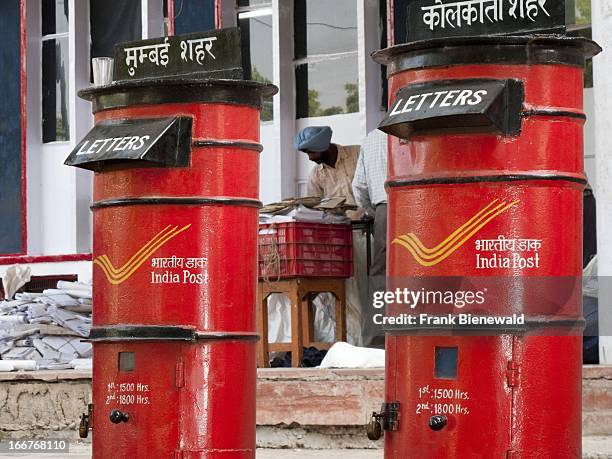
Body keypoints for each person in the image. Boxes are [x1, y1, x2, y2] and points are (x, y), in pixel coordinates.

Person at [352, 128, 388, 348]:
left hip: (384, 208)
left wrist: (373, 214)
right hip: (419, 203)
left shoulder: (373, 138)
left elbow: (360, 186)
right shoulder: (417, 128)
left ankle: (376, 342)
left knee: (381, 276)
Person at [294, 126, 362, 217]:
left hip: (370, 223)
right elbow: (314, 210)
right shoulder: (315, 175)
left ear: (323, 146)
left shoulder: (358, 154)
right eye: (307, 153)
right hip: (339, 228)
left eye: (312, 152)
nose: (310, 158)